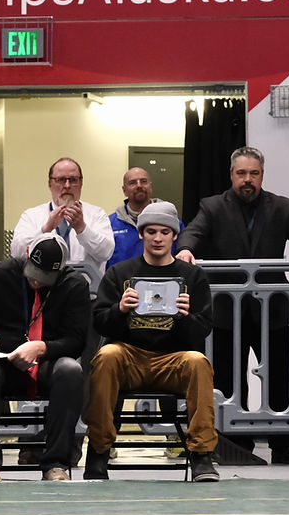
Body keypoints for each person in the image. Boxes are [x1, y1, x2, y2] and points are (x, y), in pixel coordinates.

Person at [176, 146, 289, 464]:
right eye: (241, 173)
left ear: (262, 175)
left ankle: (282, 446)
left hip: (274, 312)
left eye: (254, 173)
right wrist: (185, 249)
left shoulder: (283, 207)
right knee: (228, 381)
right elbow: (193, 233)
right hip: (227, 313)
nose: (247, 179)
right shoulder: (212, 207)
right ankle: (235, 445)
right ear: (231, 175)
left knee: (280, 378)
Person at [84, 201, 219, 482]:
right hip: (130, 357)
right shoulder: (119, 273)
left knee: (198, 362)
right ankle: (98, 453)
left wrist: (185, 316)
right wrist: (119, 309)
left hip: (173, 359)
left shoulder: (193, 276)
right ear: (141, 235)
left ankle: (202, 456)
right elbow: (99, 323)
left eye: (165, 232)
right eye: (151, 231)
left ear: (174, 236)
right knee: (107, 356)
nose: (158, 238)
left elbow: (202, 330)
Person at [0, 233, 89, 483]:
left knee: (71, 370)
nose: (36, 282)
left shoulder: (74, 285)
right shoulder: (0, 275)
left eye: (44, 278)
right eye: (33, 272)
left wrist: (42, 348)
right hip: (4, 362)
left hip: (48, 363)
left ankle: (56, 463)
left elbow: (77, 341)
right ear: (27, 254)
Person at [10, 157, 114, 279]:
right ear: (50, 184)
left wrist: (82, 228)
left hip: (87, 292)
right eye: (60, 180)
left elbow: (106, 253)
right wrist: (46, 229)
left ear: (81, 183)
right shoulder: (32, 215)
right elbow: (17, 253)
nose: (67, 185)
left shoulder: (97, 214)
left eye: (73, 180)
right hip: (43, 292)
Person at [107, 167, 184, 268]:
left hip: (165, 279)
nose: (139, 185)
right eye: (133, 183)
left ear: (150, 186)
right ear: (124, 190)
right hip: (121, 281)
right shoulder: (109, 223)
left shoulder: (171, 221)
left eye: (143, 181)